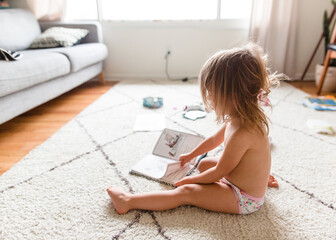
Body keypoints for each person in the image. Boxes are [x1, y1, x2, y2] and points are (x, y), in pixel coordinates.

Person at [107, 43, 282, 215]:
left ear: (233, 96)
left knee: (187, 192)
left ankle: (127, 201)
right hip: (238, 180)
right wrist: (191, 155)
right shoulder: (237, 119)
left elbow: (219, 172)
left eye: (213, 94)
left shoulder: (242, 133)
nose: (210, 98)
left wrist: (189, 180)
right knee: (204, 163)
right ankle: (259, 177)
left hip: (244, 198)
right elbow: (214, 141)